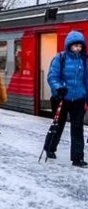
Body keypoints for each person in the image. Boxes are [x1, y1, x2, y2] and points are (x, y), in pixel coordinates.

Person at [45, 31, 88, 168]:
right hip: (62, 97)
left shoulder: (84, 61)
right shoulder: (60, 58)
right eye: (75, 46)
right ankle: (50, 148)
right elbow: (52, 76)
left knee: (77, 128)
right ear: (69, 46)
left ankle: (77, 158)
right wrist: (58, 88)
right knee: (58, 124)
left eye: (80, 46)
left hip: (79, 98)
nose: (77, 49)